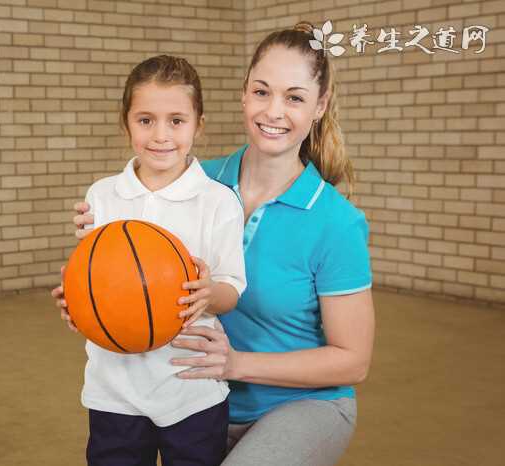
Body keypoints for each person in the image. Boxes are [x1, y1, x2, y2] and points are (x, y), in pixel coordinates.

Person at [61, 23, 375, 466]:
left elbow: (353, 362)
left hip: (292, 403)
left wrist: (236, 364)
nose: (274, 111)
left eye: (295, 97)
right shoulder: (186, 178)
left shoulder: (336, 222)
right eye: (262, 91)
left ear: (320, 105)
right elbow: (122, 252)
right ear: (244, 94)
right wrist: (90, 281)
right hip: (191, 392)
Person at [52, 55, 247, 466]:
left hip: (191, 385)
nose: (161, 135)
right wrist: (77, 303)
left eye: (176, 120)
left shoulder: (218, 202)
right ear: (125, 123)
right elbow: (93, 280)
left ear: (199, 124)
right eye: (145, 120)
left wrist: (208, 293)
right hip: (114, 388)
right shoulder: (101, 196)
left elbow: (231, 291)